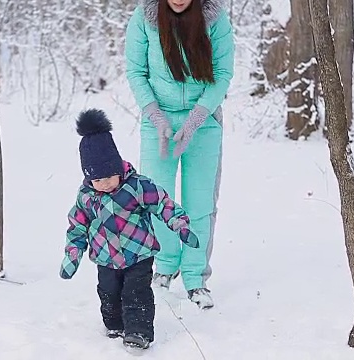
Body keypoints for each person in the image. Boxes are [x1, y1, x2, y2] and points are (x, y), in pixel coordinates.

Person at [124, 0, 235, 310]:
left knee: (199, 203)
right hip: (158, 120)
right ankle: (165, 266)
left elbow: (224, 73)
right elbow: (135, 71)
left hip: (204, 120)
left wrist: (197, 118)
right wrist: (155, 116)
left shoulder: (215, 19)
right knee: (156, 198)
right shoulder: (144, 17)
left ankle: (195, 277)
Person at [59, 109, 199, 350]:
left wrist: (180, 225)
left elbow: (163, 204)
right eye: (97, 180)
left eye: (108, 177)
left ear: (118, 166)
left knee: (137, 293)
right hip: (105, 258)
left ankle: (139, 332)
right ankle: (114, 325)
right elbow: (77, 227)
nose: (103, 184)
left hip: (139, 255)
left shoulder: (137, 186)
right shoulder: (86, 197)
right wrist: (73, 255)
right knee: (108, 293)